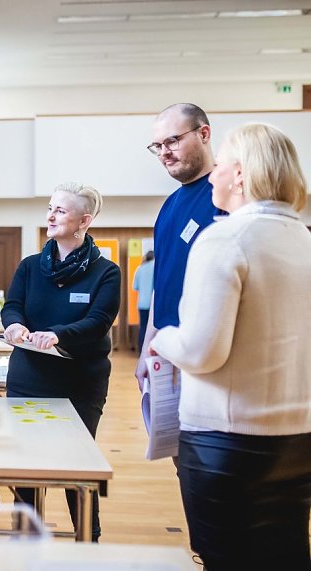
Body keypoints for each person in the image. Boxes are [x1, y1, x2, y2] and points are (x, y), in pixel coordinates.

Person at [149, 123, 311, 570]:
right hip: (296, 438)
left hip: (229, 439)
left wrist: (164, 337)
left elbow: (202, 352)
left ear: (239, 174)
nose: (214, 175)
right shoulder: (304, 239)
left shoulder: (224, 238)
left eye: (220, 165)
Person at [1, 182, 120, 542]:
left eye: (60, 211)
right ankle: (26, 535)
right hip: (29, 377)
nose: (50, 216)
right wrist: (15, 325)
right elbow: (13, 306)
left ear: (84, 220)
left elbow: (98, 321)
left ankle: (88, 537)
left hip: (80, 382)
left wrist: (57, 334)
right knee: (26, 461)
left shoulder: (107, 272)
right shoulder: (31, 266)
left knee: (76, 463)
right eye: (50, 208)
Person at [135, 103, 225, 391]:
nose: (164, 153)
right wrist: (146, 348)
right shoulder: (168, 207)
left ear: (204, 134)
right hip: (165, 352)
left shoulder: (227, 194)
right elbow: (161, 286)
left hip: (209, 354)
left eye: (172, 141)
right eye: (157, 146)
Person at [132, 250, 154, 353]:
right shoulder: (157, 267)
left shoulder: (139, 269)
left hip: (142, 304)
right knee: (154, 329)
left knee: (143, 327)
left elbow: (135, 287)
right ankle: (152, 353)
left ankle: (141, 352)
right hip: (154, 304)